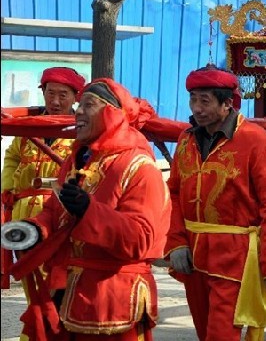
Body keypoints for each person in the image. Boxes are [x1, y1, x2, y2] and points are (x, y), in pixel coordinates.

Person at [1, 78, 172, 340]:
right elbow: (54, 211)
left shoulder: (140, 167)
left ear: (112, 114)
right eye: (80, 104)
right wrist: (34, 228)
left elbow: (141, 239)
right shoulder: (79, 160)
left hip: (111, 298)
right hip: (69, 290)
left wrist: (89, 211)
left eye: (89, 105)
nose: (78, 111)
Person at [165, 65, 266, 341]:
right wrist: (176, 242)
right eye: (193, 99)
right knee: (203, 329)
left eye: (205, 100)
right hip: (193, 253)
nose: (196, 108)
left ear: (227, 104)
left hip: (234, 256)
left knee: (221, 334)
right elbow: (174, 192)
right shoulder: (186, 139)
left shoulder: (255, 141)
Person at [1, 67, 85, 339]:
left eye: (63, 94)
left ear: (75, 97)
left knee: (57, 284)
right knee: (31, 282)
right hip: (23, 214)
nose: (56, 101)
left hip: (59, 218)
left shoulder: (80, 129)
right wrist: (9, 185)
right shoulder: (28, 127)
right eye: (51, 93)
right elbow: (12, 157)